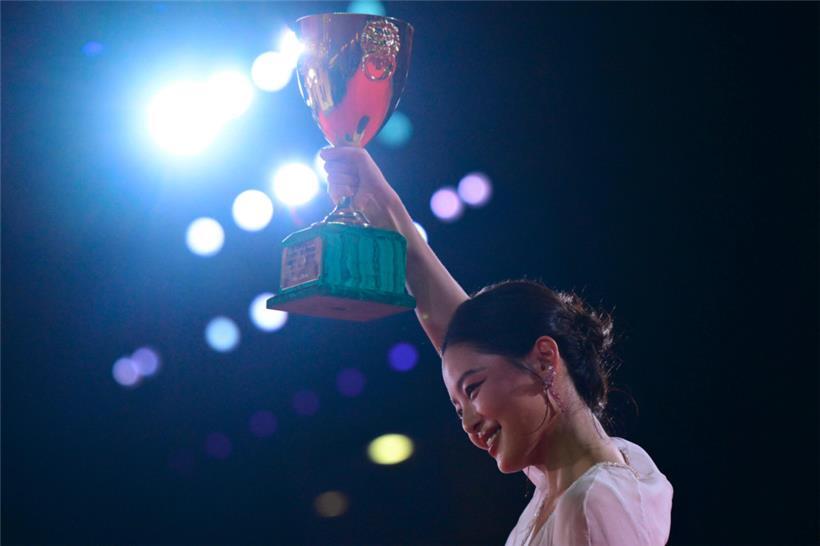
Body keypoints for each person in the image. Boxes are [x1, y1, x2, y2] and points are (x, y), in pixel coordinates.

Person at [320, 146, 673, 546]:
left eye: (472, 389)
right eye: (457, 407)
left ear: (543, 359)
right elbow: (454, 325)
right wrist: (377, 202)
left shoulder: (591, 502)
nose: (468, 423)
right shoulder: (571, 481)